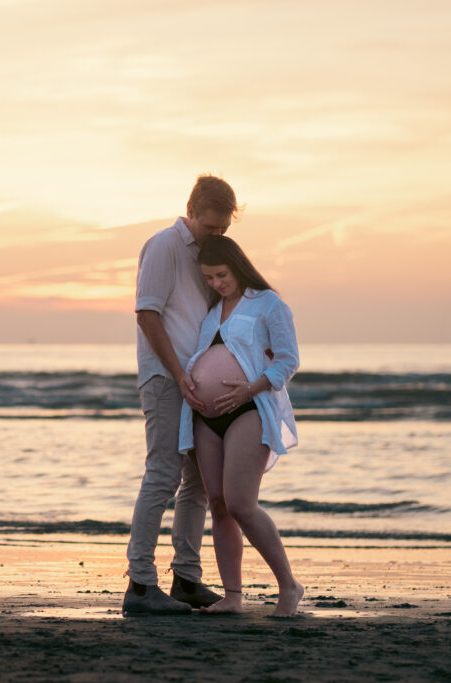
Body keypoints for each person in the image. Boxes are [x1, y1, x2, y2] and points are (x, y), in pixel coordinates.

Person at [123, 174, 241, 616]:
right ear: (191, 210)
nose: (217, 236)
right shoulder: (164, 246)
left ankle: (187, 578)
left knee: (199, 481)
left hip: (197, 380)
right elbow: (147, 315)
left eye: (224, 230)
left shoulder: (204, 255)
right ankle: (139, 584)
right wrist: (179, 374)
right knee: (163, 474)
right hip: (167, 379)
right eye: (211, 227)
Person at [177, 234, 303, 617]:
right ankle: (233, 595)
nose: (216, 283)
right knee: (217, 504)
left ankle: (289, 585)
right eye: (209, 277)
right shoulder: (212, 311)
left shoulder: (268, 303)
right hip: (206, 416)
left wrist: (249, 389)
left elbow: (288, 360)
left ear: (238, 264)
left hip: (249, 409)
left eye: (221, 274)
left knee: (241, 503)